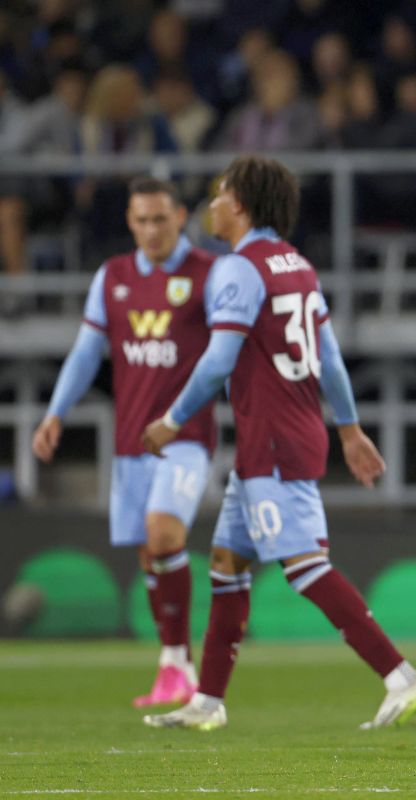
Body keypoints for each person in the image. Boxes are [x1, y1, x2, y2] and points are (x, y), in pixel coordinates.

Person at [140, 156, 416, 731]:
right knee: (226, 564)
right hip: (283, 433)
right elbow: (329, 359)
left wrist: (172, 420)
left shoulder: (238, 268)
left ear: (241, 205)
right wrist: (347, 429)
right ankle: (208, 701)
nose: (212, 203)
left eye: (220, 193)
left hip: (272, 439)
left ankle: (401, 675)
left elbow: (219, 360)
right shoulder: (295, 264)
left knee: (305, 565)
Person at [31, 178, 217, 707]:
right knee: (148, 555)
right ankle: (174, 665)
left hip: (186, 437)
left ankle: (177, 661)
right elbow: (87, 352)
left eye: (161, 219)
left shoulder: (207, 273)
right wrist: (55, 413)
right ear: (130, 222)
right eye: (141, 220)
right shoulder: (112, 277)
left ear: (180, 216)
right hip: (130, 442)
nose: (151, 230)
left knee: (163, 533)